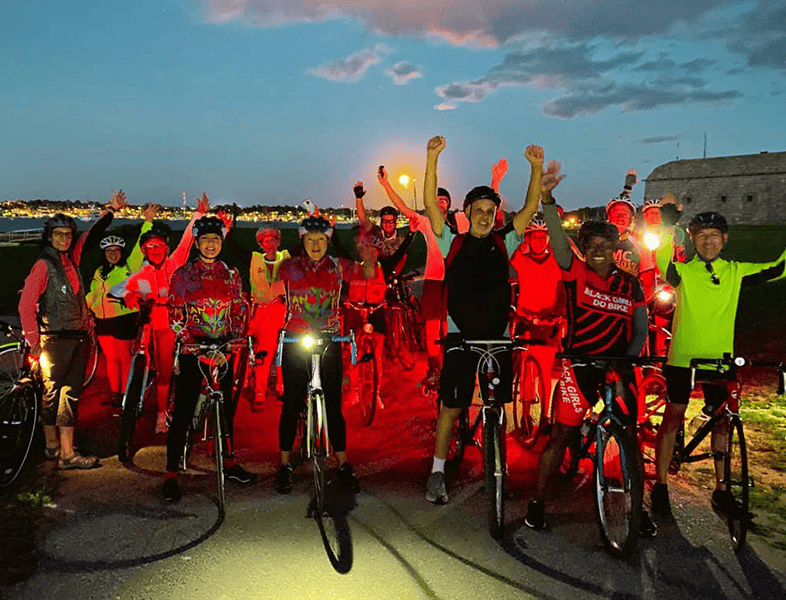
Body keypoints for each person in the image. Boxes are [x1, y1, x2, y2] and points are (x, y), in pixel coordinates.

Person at [524, 161, 653, 535]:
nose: (598, 250)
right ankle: (537, 503)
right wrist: (547, 197)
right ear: (584, 247)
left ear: (616, 248)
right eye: (591, 245)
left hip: (616, 365)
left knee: (630, 436)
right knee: (561, 435)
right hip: (576, 365)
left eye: (606, 245)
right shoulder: (573, 271)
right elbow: (557, 239)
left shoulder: (630, 285)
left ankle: (638, 511)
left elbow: (640, 331)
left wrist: (626, 364)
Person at [424, 138, 542, 504]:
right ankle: (437, 471)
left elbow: (530, 207)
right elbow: (430, 205)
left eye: (491, 209)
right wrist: (432, 158)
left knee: (497, 404)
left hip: (498, 336)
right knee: (452, 404)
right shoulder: (452, 242)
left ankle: (496, 462)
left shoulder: (505, 240)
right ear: (468, 211)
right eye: (479, 208)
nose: (486, 214)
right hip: (461, 336)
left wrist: (536, 169)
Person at [650, 208, 786, 520]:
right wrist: (669, 225)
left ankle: (721, 491)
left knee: (723, 423)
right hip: (683, 358)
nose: (708, 242)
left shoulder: (735, 271)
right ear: (693, 240)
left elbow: (778, 269)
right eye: (701, 236)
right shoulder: (684, 272)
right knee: (673, 417)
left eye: (714, 236)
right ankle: (660, 486)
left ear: (724, 239)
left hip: (720, 358)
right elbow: (662, 263)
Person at [19, 190, 126, 469]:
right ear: (49, 237)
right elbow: (26, 304)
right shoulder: (44, 266)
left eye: (68, 234)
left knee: (66, 393)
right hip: (55, 339)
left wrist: (110, 212)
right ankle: (61, 451)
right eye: (59, 234)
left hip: (77, 337)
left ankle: (57, 447)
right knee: (56, 393)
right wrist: (33, 341)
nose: (65, 239)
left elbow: (89, 237)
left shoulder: (71, 260)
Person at [273, 213, 377, 495]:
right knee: (292, 402)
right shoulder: (288, 267)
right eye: (310, 239)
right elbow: (270, 288)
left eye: (321, 239)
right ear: (302, 240)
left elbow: (369, 272)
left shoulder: (340, 266)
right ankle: (284, 465)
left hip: (330, 338)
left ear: (328, 241)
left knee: (333, 405)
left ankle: (343, 463)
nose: (316, 244)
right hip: (296, 339)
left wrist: (367, 251)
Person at [162, 215, 254, 502]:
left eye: (216, 240)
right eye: (205, 240)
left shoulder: (232, 274)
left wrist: (237, 338)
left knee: (225, 409)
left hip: (224, 348)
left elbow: (240, 309)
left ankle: (228, 462)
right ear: (197, 243)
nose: (211, 245)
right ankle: (171, 473)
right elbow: (175, 315)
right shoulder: (182, 275)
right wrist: (188, 340)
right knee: (184, 411)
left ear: (221, 242)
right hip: (194, 349)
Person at [111, 195, 208, 433]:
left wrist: (199, 215)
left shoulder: (174, 263)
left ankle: (162, 413)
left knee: (166, 370)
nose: (155, 251)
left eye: (159, 246)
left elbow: (186, 242)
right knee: (140, 356)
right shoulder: (142, 274)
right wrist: (129, 296)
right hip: (147, 326)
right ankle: (134, 392)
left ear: (166, 248)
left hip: (168, 325)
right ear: (144, 250)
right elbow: (119, 288)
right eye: (150, 247)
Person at [86, 202, 156, 408]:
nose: (113, 254)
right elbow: (93, 294)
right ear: (104, 253)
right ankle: (116, 392)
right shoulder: (99, 272)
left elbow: (138, 249)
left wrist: (148, 222)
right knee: (111, 359)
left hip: (124, 319)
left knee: (125, 359)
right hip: (103, 321)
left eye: (116, 250)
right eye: (109, 251)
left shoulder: (129, 266)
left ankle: (127, 394)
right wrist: (88, 307)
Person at [509, 217, 566, 407]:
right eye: (534, 238)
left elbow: (564, 286)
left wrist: (559, 315)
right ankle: (525, 413)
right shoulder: (521, 260)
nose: (539, 242)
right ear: (527, 240)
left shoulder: (555, 262)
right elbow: (507, 252)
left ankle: (546, 415)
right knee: (527, 371)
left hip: (547, 320)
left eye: (543, 238)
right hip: (526, 318)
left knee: (545, 370)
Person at [605, 169, 656, 301]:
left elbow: (648, 280)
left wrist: (640, 304)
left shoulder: (640, 245)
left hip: (628, 301)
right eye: (616, 213)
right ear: (608, 217)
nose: (620, 217)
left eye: (625, 214)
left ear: (631, 220)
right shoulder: (597, 242)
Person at [354, 182, 417, 282]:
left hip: (393, 279)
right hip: (374, 278)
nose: (388, 224)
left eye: (391, 221)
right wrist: (358, 198)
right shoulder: (376, 233)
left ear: (396, 222)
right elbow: (363, 219)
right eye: (384, 221)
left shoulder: (401, 240)